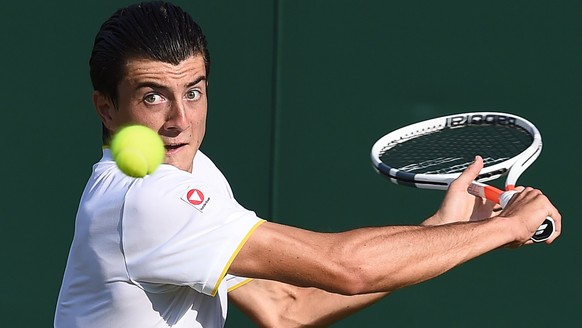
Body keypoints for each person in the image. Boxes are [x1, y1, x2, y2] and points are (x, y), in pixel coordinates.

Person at [54, 1, 561, 327]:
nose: (180, 121)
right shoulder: (145, 201)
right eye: (152, 97)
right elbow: (346, 268)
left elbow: (286, 309)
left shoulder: (195, 174)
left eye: (193, 91)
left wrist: (444, 227)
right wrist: (505, 229)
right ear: (107, 108)